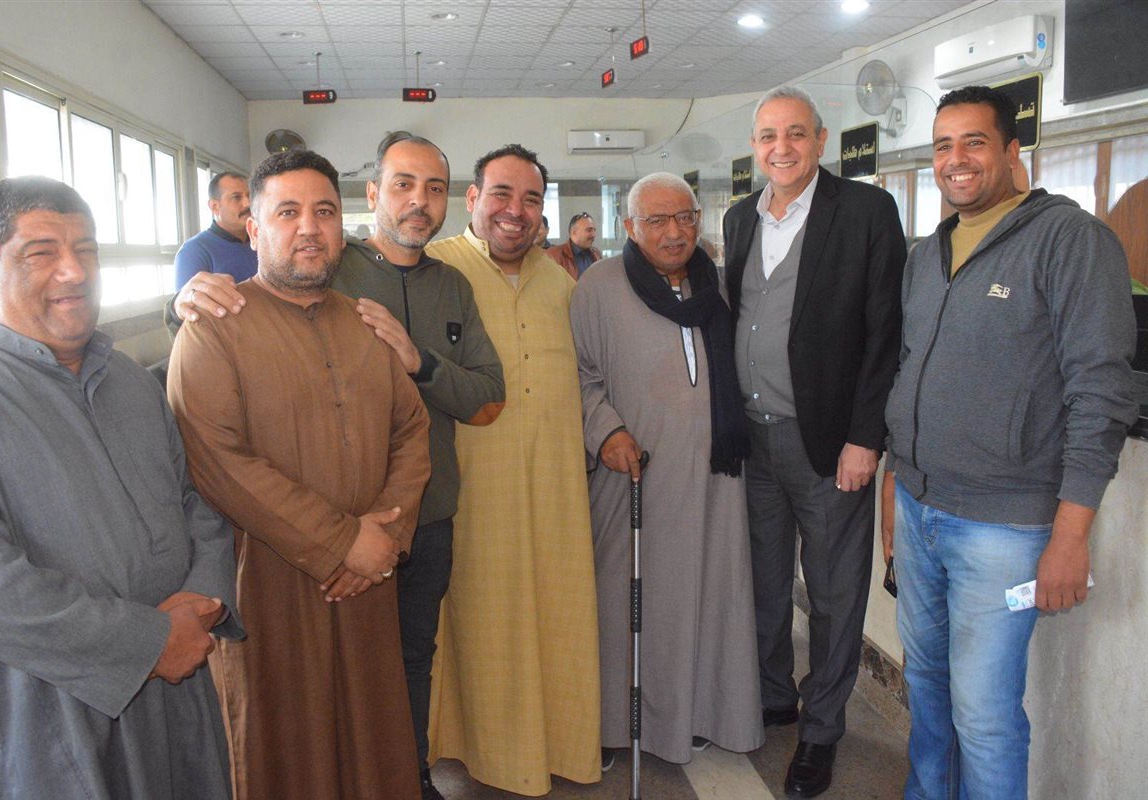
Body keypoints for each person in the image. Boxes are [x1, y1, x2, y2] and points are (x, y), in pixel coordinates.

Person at [170, 132, 506, 800]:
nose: (309, 228)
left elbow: (412, 432)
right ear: (252, 226)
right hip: (270, 578)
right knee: (283, 739)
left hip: (372, 576)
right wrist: (342, 542)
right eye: (288, 212)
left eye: (323, 211)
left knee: (378, 729)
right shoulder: (214, 329)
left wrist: (387, 535)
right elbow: (220, 462)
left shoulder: (365, 322)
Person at [882, 85, 1137, 800]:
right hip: (919, 509)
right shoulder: (927, 253)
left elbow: (1101, 393)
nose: (955, 159)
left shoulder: (1070, 239)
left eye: (974, 142)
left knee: (984, 715)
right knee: (926, 687)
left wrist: (1071, 536)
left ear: (1012, 150)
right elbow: (908, 373)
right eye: (942, 145)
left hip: (1004, 526)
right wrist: (894, 492)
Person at [0, 176, 241, 799]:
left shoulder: (132, 382)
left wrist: (203, 601)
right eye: (42, 253)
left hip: (177, 679)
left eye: (86, 251)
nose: (74, 272)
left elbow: (195, 502)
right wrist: (148, 643)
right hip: (46, 699)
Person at [722, 85, 906, 798]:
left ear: (822, 141)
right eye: (769, 136)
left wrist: (866, 438)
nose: (782, 148)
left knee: (831, 594)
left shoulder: (864, 211)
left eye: (796, 133)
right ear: (754, 146)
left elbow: (884, 332)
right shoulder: (739, 217)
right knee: (763, 583)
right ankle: (774, 695)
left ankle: (823, 729)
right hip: (754, 439)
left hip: (828, 444)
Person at [425, 144, 602, 796]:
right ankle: (481, 753)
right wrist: (188, 300)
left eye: (531, 199)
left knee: (558, 621)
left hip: (557, 492)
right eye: (501, 194)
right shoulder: (434, 267)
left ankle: (560, 744)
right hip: (472, 496)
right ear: (472, 199)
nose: (515, 211)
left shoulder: (561, 282)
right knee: (480, 629)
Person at [570, 172, 763, 766]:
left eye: (684, 217)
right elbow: (578, 375)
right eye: (656, 220)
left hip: (715, 479)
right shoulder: (599, 286)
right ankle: (613, 725)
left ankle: (698, 714)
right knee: (626, 599)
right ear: (629, 226)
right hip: (635, 473)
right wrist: (606, 431)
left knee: (710, 595)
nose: (674, 232)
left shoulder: (717, 282)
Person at [174, 171, 256, 290]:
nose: (247, 204)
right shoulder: (195, 251)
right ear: (214, 207)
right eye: (236, 197)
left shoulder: (262, 242)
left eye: (249, 196)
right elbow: (186, 300)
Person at [546, 211, 600, 279]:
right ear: (574, 232)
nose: (593, 235)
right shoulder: (554, 255)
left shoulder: (596, 254)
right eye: (589, 230)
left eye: (594, 230)